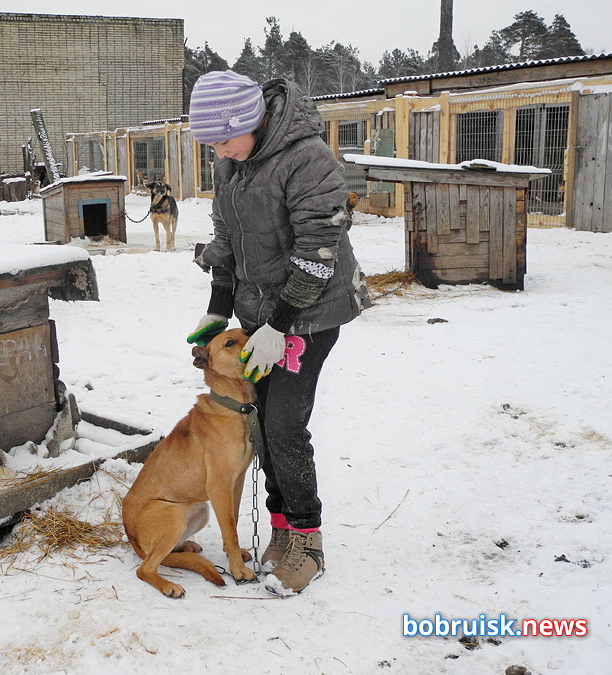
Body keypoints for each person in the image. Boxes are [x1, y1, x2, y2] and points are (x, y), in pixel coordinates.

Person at [186, 70, 368, 596]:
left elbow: (318, 252)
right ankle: (282, 526)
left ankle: (307, 541)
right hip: (258, 314)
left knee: (284, 425)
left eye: (222, 140)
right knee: (260, 425)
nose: (217, 151)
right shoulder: (232, 162)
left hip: (310, 313)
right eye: (211, 144)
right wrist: (218, 310)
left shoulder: (308, 158)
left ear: (250, 121)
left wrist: (278, 327)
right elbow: (227, 239)